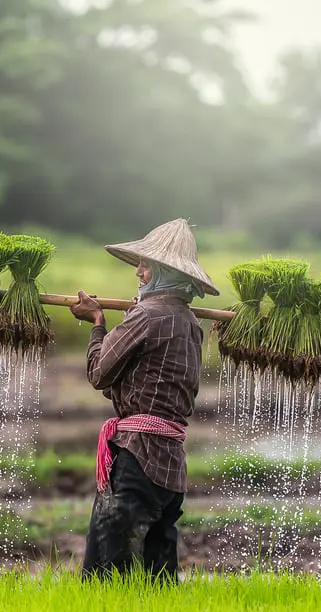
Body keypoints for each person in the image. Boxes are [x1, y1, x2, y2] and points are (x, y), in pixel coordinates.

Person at [69, 219, 220, 581]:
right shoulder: (189, 323)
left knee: (107, 563)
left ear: (164, 272)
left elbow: (99, 374)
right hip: (170, 464)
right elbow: (144, 380)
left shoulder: (146, 317)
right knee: (158, 567)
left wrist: (96, 322)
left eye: (146, 265)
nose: (138, 270)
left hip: (139, 455)